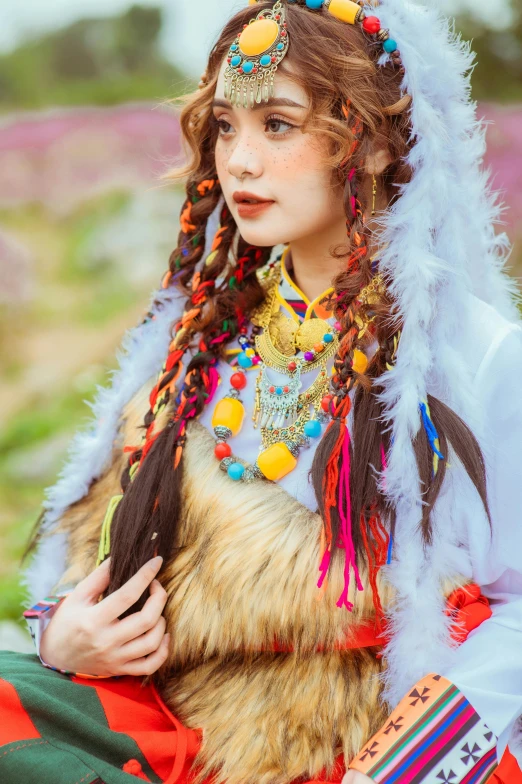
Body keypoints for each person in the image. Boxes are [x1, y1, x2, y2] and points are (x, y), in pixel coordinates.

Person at [2, 0, 522, 782]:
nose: (238, 161)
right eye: (225, 126)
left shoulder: (475, 356)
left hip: (362, 744)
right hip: (181, 715)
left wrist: (403, 761)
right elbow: (103, 555)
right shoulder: (204, 341)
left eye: (277, 125)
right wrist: (62, 637)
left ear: (372, 144)